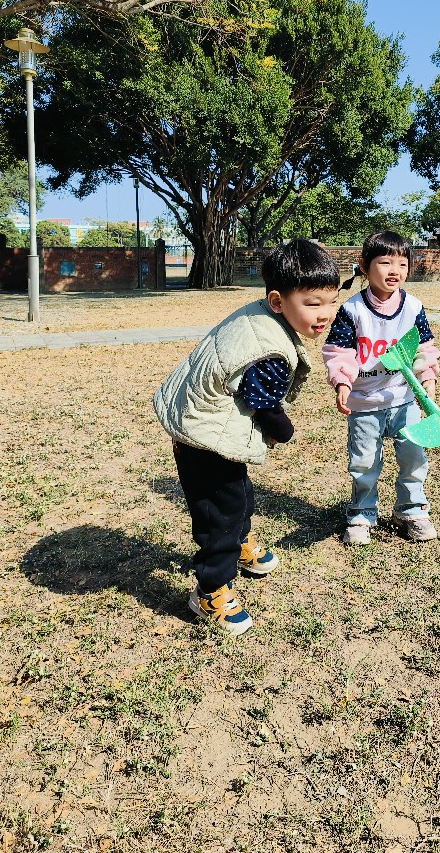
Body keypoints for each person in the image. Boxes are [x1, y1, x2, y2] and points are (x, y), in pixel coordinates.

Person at [153, 239, 339, 633]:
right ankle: (210, 591)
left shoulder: (261, 317)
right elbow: (264, 404)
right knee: (219, 515)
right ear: (277, 301)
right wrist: (284, 431)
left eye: (331, 301)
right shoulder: (268, 351)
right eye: (313, 303)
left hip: (202, 421)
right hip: (204, 436)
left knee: (238, 495)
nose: (325, 314)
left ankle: (240, 543)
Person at [322, 231, 440, 545]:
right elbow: (339, 350)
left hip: (403, 399)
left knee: (414, 457)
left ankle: (411, 510)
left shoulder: (413, 307)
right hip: (364, 402)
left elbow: (424, 347)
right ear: (364, 266)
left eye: (402, 264)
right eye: (385, 262)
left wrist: (427, 377)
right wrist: (343, 381)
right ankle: (361, 514)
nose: (394, 271)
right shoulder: (352, 310)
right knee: (364, 462)